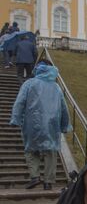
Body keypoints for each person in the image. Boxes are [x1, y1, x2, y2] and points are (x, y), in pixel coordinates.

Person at [9, 62, 71, 190]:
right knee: (51, 152)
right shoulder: (56, 87)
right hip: (52, 125)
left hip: (32, 123)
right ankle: (48, 182)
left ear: (37, 70)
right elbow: (64, 108)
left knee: (31, 149)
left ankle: (35, 176)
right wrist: (65, 125)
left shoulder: (29, 84)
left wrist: (15, 119)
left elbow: (20, 102)